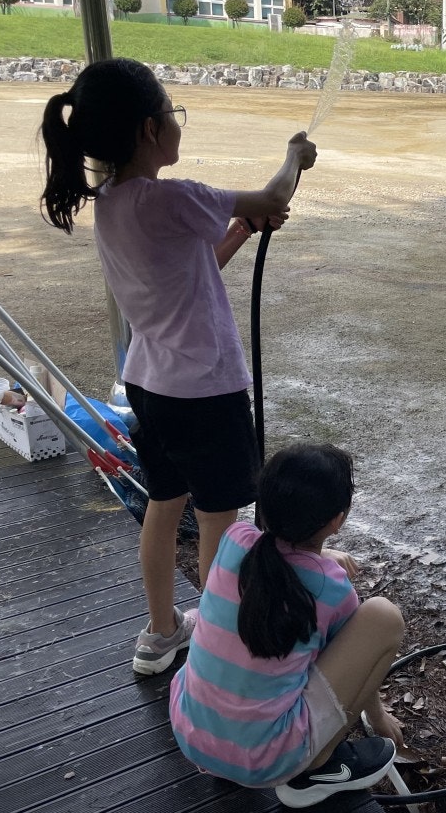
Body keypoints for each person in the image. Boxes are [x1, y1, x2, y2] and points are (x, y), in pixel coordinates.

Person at [39, 57, 317, 675]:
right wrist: (295, 156)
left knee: (166, 504)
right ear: (148, 130)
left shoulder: (114, 202)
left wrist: (241, 230)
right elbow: (274, 193)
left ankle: (162, 630)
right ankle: (218, 650)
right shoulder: (175, 198)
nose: (175, 121)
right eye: (172, 111)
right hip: (203, 392)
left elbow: (193, 274)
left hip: (149, 384)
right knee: (220, 517)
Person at [169, 443, 406, 808]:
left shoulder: (233, 540)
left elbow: (273, 549)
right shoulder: (331, 588)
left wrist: (321, 553)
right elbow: (349, 668)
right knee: (383, 616)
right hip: (267, 760)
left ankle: (228, 755)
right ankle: (319, 769)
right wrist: (376, 716)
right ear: (336, 521)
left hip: (191, 732)